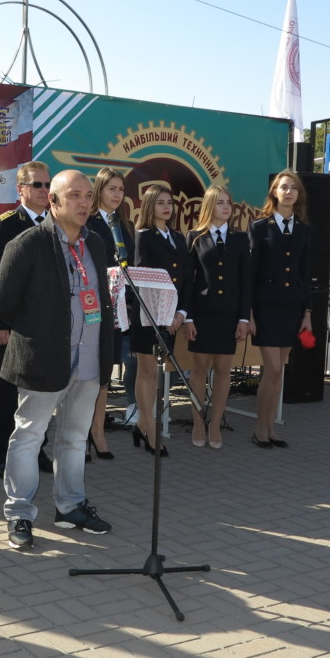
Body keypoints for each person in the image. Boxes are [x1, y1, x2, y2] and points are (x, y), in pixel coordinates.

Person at [0, 170, 114, 549]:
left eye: (88, 196)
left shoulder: (96, 243)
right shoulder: (28, 244)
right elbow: (2, 302)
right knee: (29, 436)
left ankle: (70, 506)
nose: (84, 203)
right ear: (53, 201)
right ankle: (19, 513)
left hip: (88, 358)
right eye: (74, 195)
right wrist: (40, 329)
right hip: (44, 358)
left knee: (75, 438)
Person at [0, 160, 53, 477]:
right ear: (21, 189)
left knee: (42, 391)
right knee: (7, 392)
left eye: (47, 184)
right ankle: (0, 454)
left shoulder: (56, 223)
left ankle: (37, 449)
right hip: (14, 327)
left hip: (47, 325)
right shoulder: (6, 224)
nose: (44, 190)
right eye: (37, 185)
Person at [181, 185, 252, 449]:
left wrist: (244, 318)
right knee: (199, 368)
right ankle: (198, 421)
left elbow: (246, 282)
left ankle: (215, 424)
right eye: (220, 202)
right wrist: (188, 318)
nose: (226, 207)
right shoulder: (195, 237)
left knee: (223, 369)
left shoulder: (240, 238)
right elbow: (187, 282)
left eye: (228, 202)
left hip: (229, 315)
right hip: (202, 314)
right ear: (210, 206)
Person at [248, 171, 312, 448]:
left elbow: (305, 273)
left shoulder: (304, 230)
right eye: (283, 187)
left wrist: (307, 313)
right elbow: (250, 273)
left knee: (278, 371)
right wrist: (249, 312)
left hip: (292, 307)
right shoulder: (259, 227)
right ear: (274, 192)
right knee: (272, 367)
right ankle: (259, 429)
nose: (288, 192)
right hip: (266, 306)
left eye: (293, 188)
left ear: (299, 195)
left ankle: (271, 428)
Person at [130, 183, 188, 458]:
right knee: (148, 372)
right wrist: (162, 316)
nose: (167, 207)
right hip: (148, 317)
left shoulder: (178, 237)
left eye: (170, 202)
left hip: (172, 317)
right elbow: (142, 280)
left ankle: (142, 426)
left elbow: (186, 279)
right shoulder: (142, 236)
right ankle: (149, 429)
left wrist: (180, 314)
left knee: (155, 373)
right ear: (150, 206)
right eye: (161, 202)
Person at [84, 166, 137, 458]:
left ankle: (97, 431)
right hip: (91, 307)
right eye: (111, 189)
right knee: (86, 373)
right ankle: (82, 433)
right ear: (99, 190)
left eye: (121, 189)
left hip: (116, 311)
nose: (117, 195)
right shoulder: (87, 222)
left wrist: (127, 300)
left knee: (104, 372)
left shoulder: (124, 225)